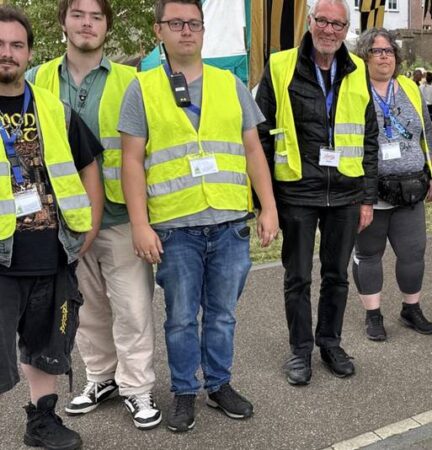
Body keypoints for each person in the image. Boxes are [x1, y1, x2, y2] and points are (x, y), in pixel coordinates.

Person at [119, 0, 279, 432]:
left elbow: (251, 150)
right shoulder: (142, 88)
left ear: (204, 30)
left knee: (223, 313)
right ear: (159, 31)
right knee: (181, 316)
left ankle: (220, 384)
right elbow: (131, 161)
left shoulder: (231, 84)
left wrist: (268, 205)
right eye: (176, 23)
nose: (186, 30)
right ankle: (185, 391)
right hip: (176, 230)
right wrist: (139, 224)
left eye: (194, 23)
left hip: (229, 224)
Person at [28, 0, 161, 430]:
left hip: (121, 216)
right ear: (63, 21)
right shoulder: (38, 78)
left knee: (133, 307)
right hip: (63, 221)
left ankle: (137, 387)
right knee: (85, 309)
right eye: (78, 14)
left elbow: (145, 150)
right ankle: (101, 377)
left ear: (107, 26)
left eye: (97, 16)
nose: (87, 23)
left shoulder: (131, 80)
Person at [256, 0, 378, 385]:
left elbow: (369, 137)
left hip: (345, 190)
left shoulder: (358, 70)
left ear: (346, 31)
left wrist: (366, 196)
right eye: (322, 21)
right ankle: (299, 351)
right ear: (310, 23)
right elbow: (259, 135)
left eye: (337, 24)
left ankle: (330, 343)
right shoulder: (280, 66)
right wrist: (265, 203)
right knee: (298, 278)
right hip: (297, 190)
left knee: (337, 275)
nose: (329, 30)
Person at [0, 6, 105, 449]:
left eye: (16, 45)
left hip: (52, 250)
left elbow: (87, 165)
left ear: (29, 53)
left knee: (47, 345)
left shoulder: (52, 108)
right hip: (1, 256)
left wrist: (91, 228)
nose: (7, 53)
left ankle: (42, 422)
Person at [350, 28, 432, 341]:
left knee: (413, 253)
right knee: (369, 253)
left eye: (388, 50)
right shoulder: (354, 90)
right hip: (371, 191)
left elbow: (425, 132)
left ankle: (410, 309)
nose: (384, 56)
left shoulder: (410, 88)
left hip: (411, 188)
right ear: (364, 56)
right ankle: (373, 315)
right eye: (376, 51)